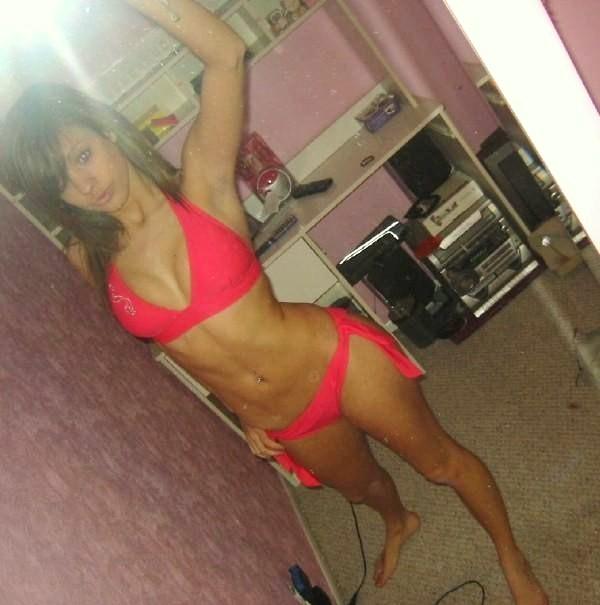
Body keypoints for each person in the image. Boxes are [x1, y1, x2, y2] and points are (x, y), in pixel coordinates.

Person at [1, 1, 548, 602]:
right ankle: (400, 521)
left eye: (82, 156)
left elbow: (225, 53)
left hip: (335, 360)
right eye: (61, 182)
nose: (85, 184)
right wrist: (242, 413)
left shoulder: (201, 184)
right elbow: (183, 349)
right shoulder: (91, 261)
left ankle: (512, 557)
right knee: (362, 489)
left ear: (106, 132)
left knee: (440, 463)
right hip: (285, 417)